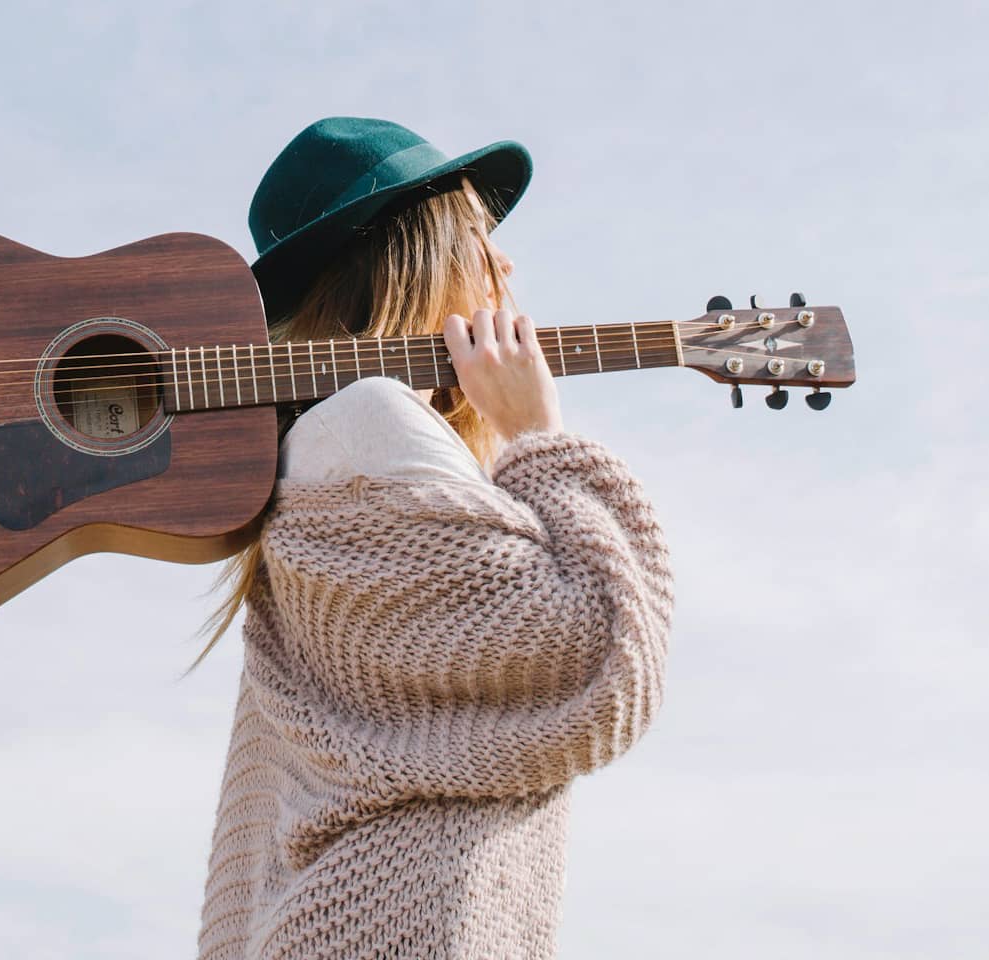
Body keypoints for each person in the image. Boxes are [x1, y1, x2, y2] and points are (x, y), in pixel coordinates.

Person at [193, 117, 674, 960]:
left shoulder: (318, 456)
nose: (508, 267)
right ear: (419, 254)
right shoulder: (369, 425)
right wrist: (536, 435)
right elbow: (597, 649)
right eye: (482, 237)